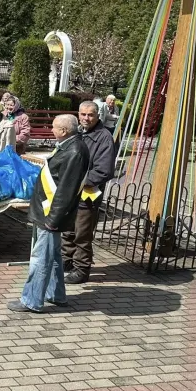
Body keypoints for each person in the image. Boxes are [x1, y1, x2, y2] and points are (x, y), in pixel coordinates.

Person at [9, 115, 90, 313]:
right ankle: (56, 294)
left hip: (49, 214)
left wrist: (53, 219)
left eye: (54, 128)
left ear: (64, 131)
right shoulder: (68, 145)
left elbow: (66, 191)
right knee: (53, 256)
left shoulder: (74, 151)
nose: (51, 130)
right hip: (46, 211)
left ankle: (31, 300)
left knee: (41, 258)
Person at [62, 101, 116, 285]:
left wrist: (78, 181)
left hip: (88, 194)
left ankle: (82, 268)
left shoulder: (104, 137)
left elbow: (104, 170)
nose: (86, 118)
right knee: (68, 229)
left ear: (98, 115)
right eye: (83, 114)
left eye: (90, 115)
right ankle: (66, 260)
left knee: (82, 233)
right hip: (71, 192)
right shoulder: (77, 132)